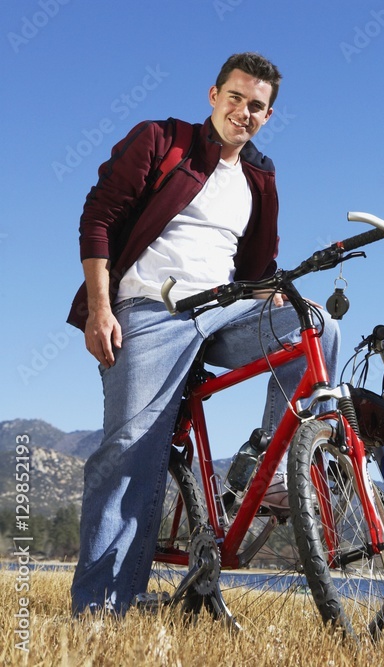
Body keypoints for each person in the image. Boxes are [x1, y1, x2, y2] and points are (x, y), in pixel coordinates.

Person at [67, 53, 339, 615]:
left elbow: (260, 268)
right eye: (235, 98)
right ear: (213, 95)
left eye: (257, 106)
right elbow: (98, 218)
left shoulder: (259, 176)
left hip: (224, 311)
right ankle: (100, 607)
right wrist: (100, 308)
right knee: (130, 451)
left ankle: (275, 468)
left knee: (318, 322)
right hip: (149, 310)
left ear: (268, 116)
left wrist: (284, 296)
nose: (244, 112)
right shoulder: (161, 139)